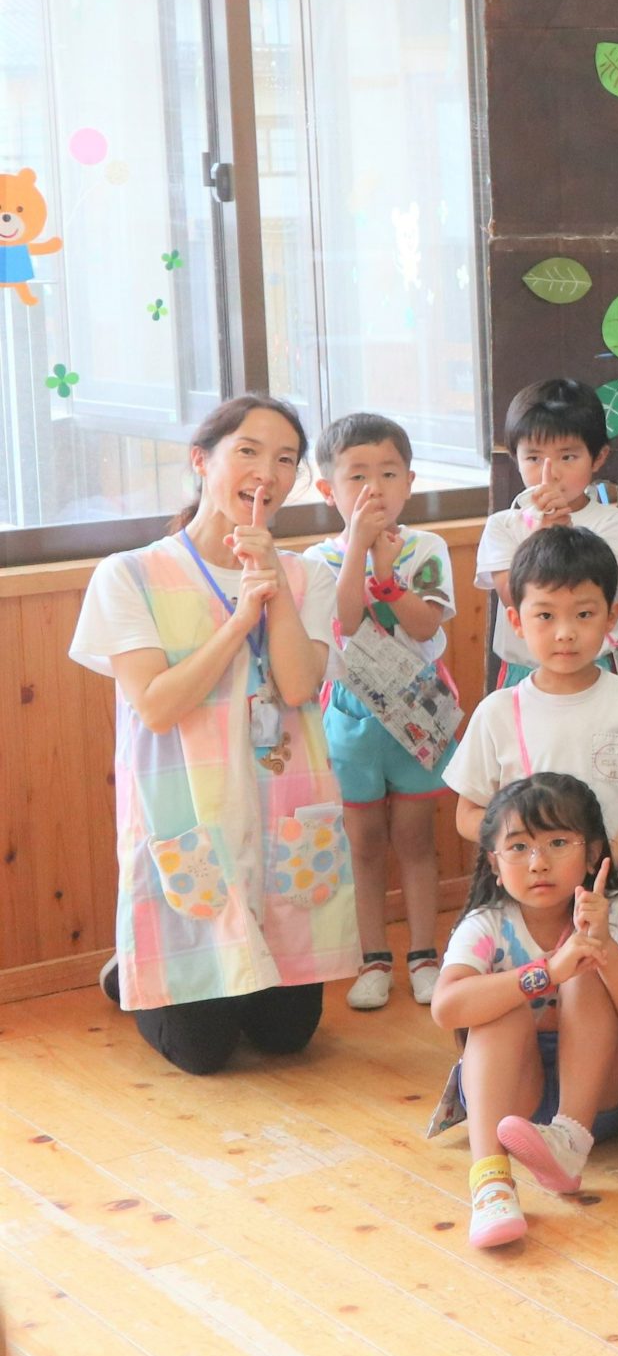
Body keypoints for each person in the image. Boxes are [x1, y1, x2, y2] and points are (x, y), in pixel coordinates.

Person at [73, 394, 354, 1074]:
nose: (268, 472)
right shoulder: (130, 574)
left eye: (285, 459)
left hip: (283, 810)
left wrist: (272, 585)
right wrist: (236, 621)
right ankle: (129, 974)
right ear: (203, 461)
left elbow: (295, 687)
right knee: (203, 1055)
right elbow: (159, 705)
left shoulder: (307, 574)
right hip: (192, 813)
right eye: (249, 452)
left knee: (289, 1038)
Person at [426, 774, 618, 1248]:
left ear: (593, 853)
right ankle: (492, 1183)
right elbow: (447, 1008)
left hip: (601, 1100)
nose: (538, 863)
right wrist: (544, 973)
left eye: (557, 842)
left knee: (586, 969)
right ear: (494, 863)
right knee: (500, 1005)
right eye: (518, 848)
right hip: (514, 1099)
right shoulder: (487, 922)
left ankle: (569, 1142)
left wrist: (602, 948)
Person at [445, 529, 618, 930]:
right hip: (528, 892)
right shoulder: (498, 711)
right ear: (517, 622)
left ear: (612, 617)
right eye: (545, 615)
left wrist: (603, 858)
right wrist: (528, 851)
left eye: (584, 614)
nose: (565, 632)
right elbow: (467, 814)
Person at [305, 410, 457, 1009]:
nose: (375, 487)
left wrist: (388, 572)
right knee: (362, 841)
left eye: (389, 473)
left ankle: (424, 955)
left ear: (411, 482)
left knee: (417, 838)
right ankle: (372, 959)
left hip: (418, 706)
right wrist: (358, 553)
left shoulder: (430, 546)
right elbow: (343, 624)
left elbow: (422, 622)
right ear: (327, 490)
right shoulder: (316, 559)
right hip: (348, 712)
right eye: (357, 476)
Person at [476, 378, 618, 688]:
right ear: (516, 458)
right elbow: (511, 596)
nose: (550, 472)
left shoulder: (613, 523)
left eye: (567, 457)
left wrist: (564, 537)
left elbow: (601, 589)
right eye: (534, 458)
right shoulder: (503, 525)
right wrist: (541, 539)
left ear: (599, 457)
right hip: (524, 670)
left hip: (597, 667)